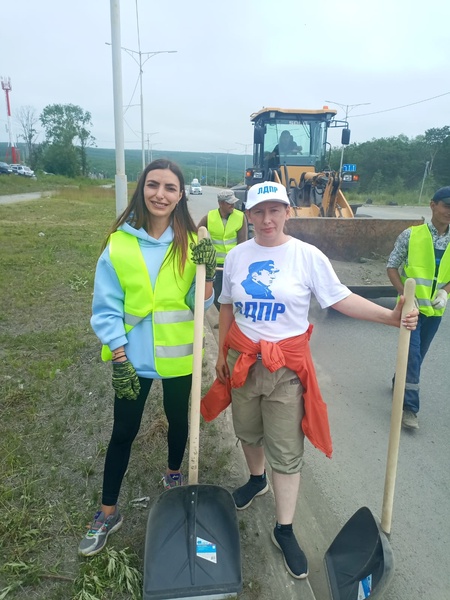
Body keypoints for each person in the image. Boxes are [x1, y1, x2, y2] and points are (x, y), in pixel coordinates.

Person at [207, 181, 418, 580]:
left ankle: (284, 528)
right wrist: (220, 354)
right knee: (248, 433)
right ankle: (256, 481)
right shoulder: (236, 257)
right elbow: (226, 307)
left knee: (286, 451)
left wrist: (389, 317)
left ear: (287, 212)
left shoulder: (307, 257)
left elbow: (339, 298)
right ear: (248, 216)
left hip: (286, 369)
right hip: (242, 363)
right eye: (259, 212)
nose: (267, 219)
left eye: (275, 210)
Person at [78, 159, 217, 557]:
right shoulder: (119, 244)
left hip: (178, 359)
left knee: (178, 424)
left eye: (170, 188)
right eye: (153, 185)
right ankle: (107, 512)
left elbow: (198, 303)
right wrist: (119, 358)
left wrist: (209, 274)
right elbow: (106, 308)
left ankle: (174, 474)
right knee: (123, 432)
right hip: (133, 360)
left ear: (180, 195)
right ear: (142, 189)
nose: (160, 194)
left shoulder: (193, 243)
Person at [387, 185, 450, 430]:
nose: (449, 212)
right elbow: (392, 267)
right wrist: (405, 294)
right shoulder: (411, 235)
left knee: (417, 356)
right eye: (446, 206)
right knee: (412, 357)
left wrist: (445, 293)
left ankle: (399, 380)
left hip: (435, 311)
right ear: (433, 205)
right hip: (411, 309)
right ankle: (410, 409)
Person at [198, 189, 248, 311]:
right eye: (229, 203)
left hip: (233, 264)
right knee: (217, 294)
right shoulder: (210, 217)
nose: (233, 205)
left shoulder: (240, 217)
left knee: (235, 293)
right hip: (216, 265)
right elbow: (196, 234)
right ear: (221, 203)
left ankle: (232, 318)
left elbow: (243, 243)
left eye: (233, 202)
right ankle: (222, 317)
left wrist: (241, 263)